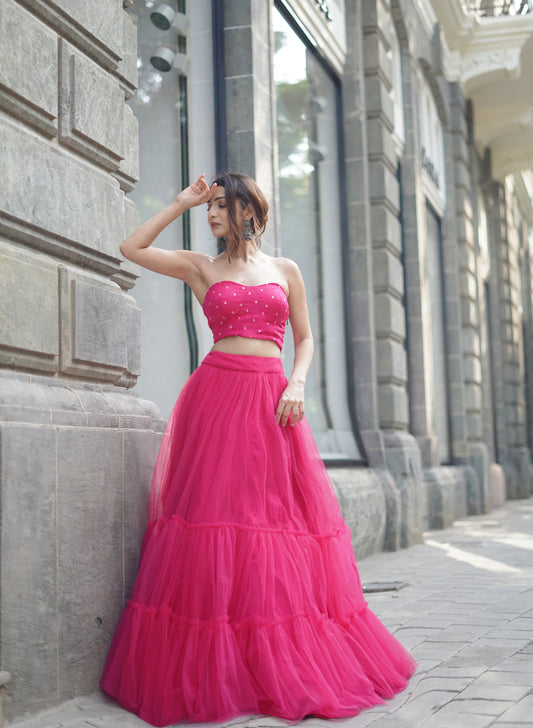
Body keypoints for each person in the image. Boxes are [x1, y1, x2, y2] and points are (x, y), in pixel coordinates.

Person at [99, 172, 416, 727]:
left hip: (273, 402)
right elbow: (132, 248)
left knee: (273, 522)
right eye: (210, 205)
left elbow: (306, 337)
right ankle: (222, 667)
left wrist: (296, 383)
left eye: (221, 205)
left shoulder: (284, 270)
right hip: (217, 399)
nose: (213, 213)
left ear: (250, 210)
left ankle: (273, 656)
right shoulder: (202, 268)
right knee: (216, 521)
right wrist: (181, 202)